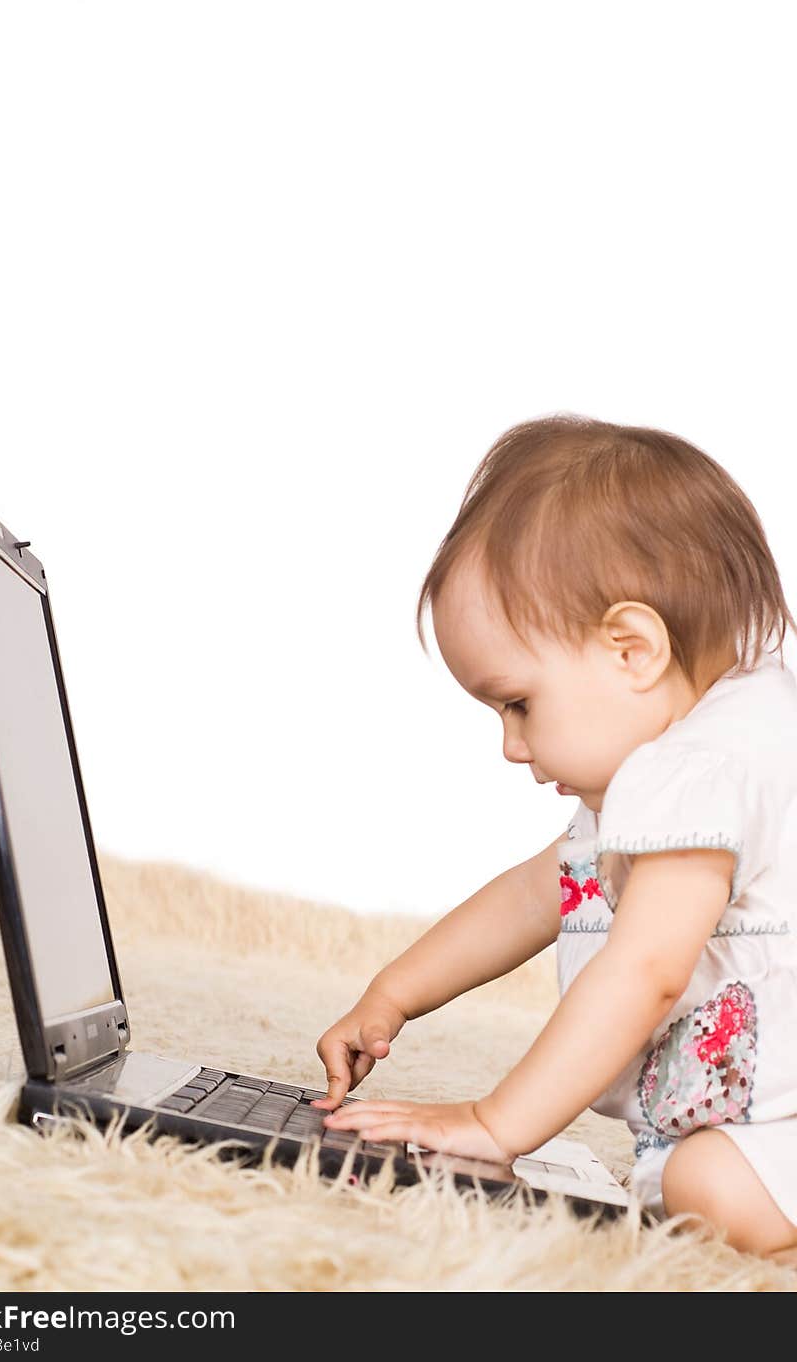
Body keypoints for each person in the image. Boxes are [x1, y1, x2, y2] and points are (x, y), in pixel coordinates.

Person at [312, 414, 797, 1264]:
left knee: (705, 1187)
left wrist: (496, 1124)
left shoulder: (706, 770)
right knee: (685, 1179)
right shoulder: (652, 768)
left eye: (519, 703)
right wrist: (393, 994)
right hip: (742, 1117)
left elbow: (647, 970)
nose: (510, 744)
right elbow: (535, 894)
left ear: (632, 649)